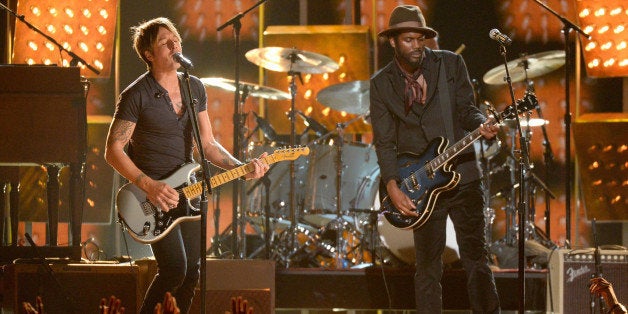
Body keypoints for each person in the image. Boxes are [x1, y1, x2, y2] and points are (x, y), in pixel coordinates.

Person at [104, 17, 269, 314]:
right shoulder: (136, 94)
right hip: (152, 197)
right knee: (174, 269)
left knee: (192, 270)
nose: (174, 45)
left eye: (176, 39)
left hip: (187, 192)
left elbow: (206, 144)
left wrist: (241, 166)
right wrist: (149, 186)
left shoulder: (194, 87)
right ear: (149, 55)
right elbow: (113, 151)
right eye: (164, 43)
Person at [370, 5, 501, 313]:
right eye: (409, 40)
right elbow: (385, 141)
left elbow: (467, 110)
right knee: (428, 269)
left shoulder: (451, 64)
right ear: (393, 42)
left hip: (463, 175)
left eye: (421, 39)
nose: (417, 46)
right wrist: (392, 184)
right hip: (420, 183)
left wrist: (483, 123)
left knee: (477, 261)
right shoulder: (381, 83)